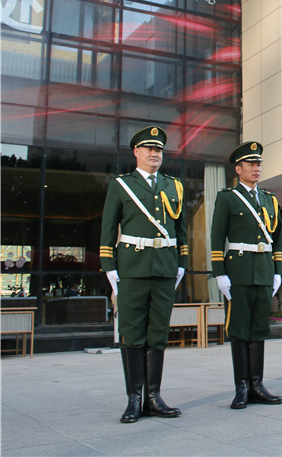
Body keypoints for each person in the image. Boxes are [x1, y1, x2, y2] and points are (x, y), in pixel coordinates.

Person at [99, 126, 187, 424]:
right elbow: (108, 228)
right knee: (133, 332)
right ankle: (134, 398)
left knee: (158, 332)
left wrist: (182, 262)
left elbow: (181, 229)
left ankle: (154, 396)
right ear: (136, 152)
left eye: (159, 149)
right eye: (149, 149)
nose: (154, 154)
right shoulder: (121, 185)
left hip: (164, 267)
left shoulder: (174, 185)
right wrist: (109, 266)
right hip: (132, 268)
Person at [211, 141, 282, 409]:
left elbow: (277, 238)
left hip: (263, 270)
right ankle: (241, 387)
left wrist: (277, 271)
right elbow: (217, 236)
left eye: (259, 164)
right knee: (240, 330)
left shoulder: (270, 199)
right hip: (238, 271)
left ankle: (257, 385)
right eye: (251, 164)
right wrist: (219, 273)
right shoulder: (227, 197)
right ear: (238, 168)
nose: (256, 168)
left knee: (258, 329)